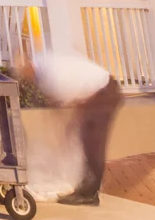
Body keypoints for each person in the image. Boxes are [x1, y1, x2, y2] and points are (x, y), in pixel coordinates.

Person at [31, 48, 122, 206]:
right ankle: (85, 188)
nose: (27, 78)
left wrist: (67, 131)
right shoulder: (41, 64)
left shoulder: (53, 77)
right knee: (86, 140)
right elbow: (75, 102)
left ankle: (90, 195)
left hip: (105, 93)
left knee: (94, 144)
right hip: (99, 92)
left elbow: (76, 104)